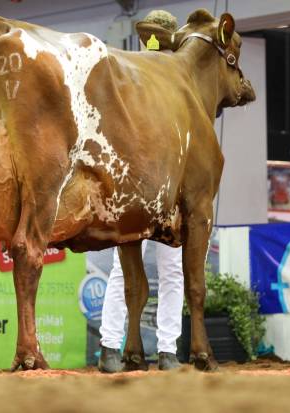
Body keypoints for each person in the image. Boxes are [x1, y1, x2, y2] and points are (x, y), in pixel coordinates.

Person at [98, 9, 184, 373]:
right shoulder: (177, 78)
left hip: (135, 184)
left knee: (127, 271)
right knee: (168, 271)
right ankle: (164, 351)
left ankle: (112, 348)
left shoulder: (129, 73)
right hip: (159, 185)